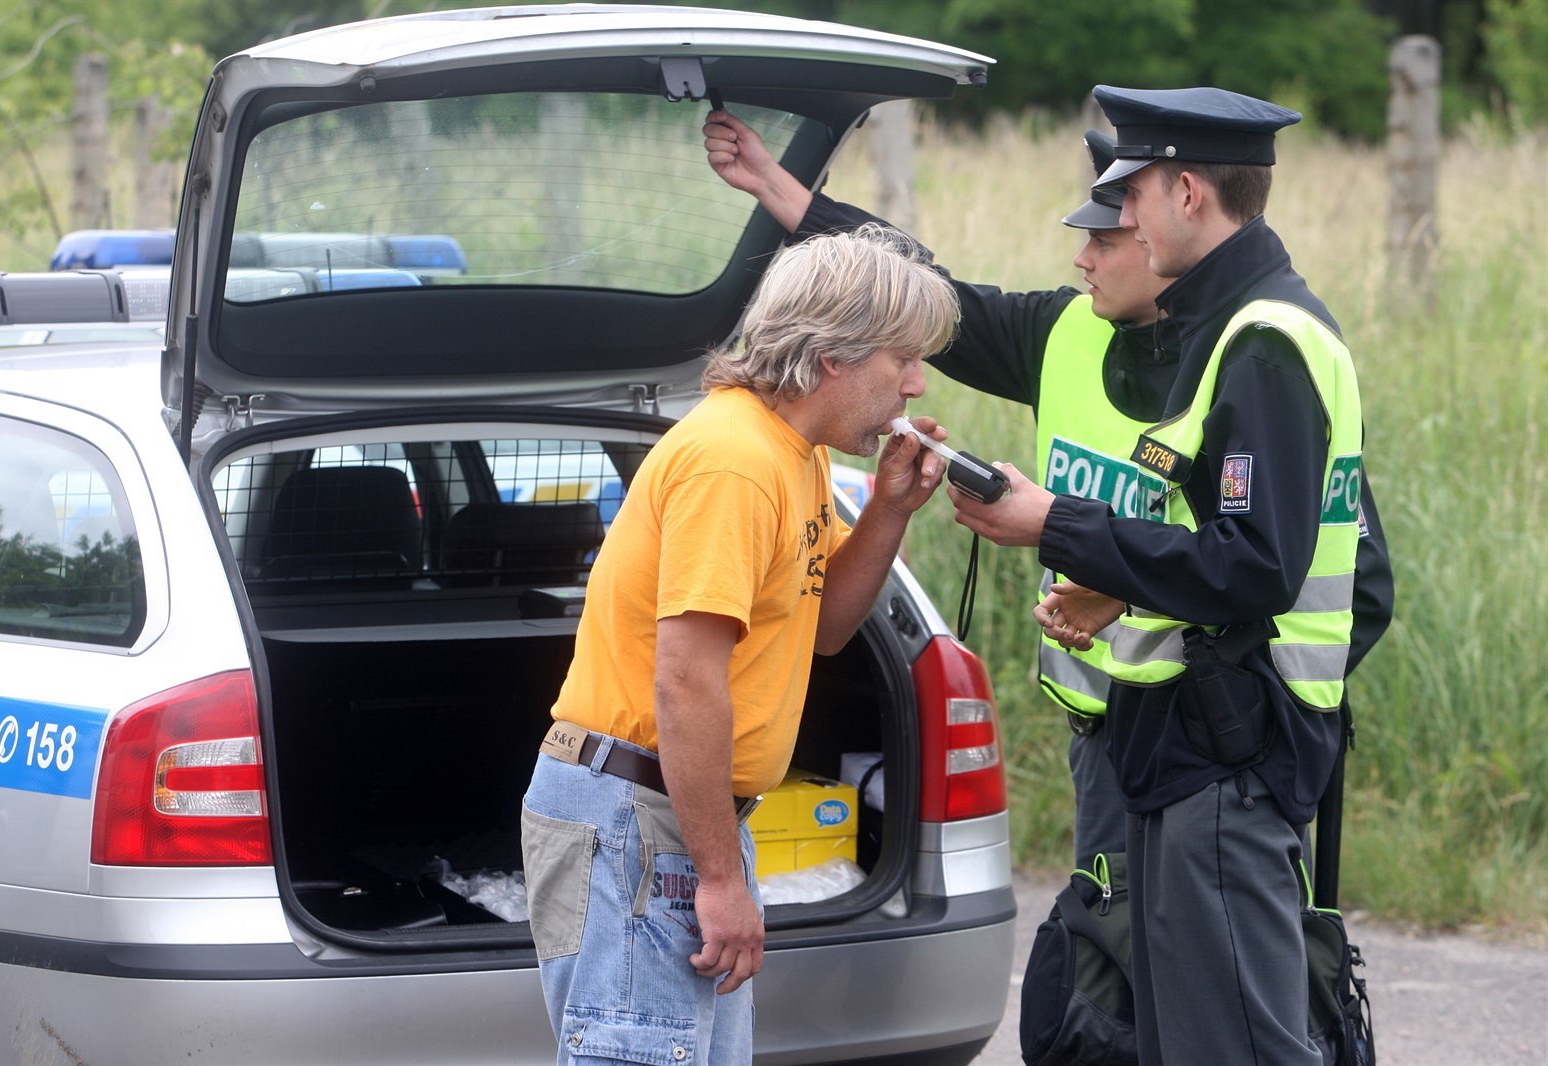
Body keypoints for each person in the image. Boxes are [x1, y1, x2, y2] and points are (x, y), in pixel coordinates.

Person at [950, 85, 1394, 1066]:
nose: (1122, 219)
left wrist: (1054, 524)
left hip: (1230, 751)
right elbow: (1226, 541)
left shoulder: (1263, 341)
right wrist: (1117, 584)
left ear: (1187, 192)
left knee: (1233, 1047)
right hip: (1188, 746)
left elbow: (1256, 566)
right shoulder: (1227, 324)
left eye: (1133, 194)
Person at [520, 225, 959, 1065]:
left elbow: (825, 625)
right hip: (634, 820)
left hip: (677, 815)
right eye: (903, 358)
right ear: (833, 355)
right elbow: (685, 681)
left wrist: (889, 511)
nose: (917, 383)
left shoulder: (793, 455)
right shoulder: (735, 462)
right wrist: (720, 879)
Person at [703, 112, 1176, 866]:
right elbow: (919, 288)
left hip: (1210, 741)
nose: (1081, 257)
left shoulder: (1249, 363)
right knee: (1103, 930)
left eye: (1107, 240)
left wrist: (1065, 537)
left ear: (1162, 239)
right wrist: (779, 190)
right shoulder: (1065, 331)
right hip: (1102, 735)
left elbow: (1299, 569)